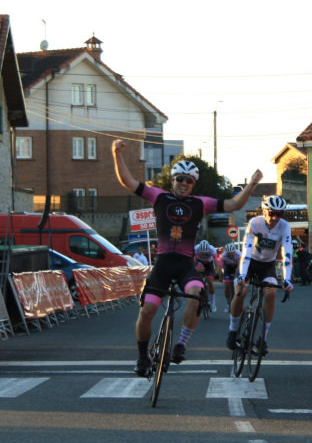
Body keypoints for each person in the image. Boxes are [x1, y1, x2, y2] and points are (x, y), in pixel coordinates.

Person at [112, 140, 261, 377]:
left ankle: (181, 344)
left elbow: (233, 204)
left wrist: (251, 185)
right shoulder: (158, 197)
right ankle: (142, 356)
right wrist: (116, 154)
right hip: (162, 263)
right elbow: (128, 182)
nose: (184, 183)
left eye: (189, 180)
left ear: (194, 184)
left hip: (184, 264)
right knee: (147, 310)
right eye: (180, 178)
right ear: (172, 180)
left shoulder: (200, 203)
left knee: (196, 294)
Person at [226, 195, 294, 355]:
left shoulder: (284, 227)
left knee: (271, 293)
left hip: (267, 266)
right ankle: (232, 331)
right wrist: (242, 275)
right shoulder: (255, 223)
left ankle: (262, 340)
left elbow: (287, 254)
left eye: (279, 214)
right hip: (249, 263)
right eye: (272, 213)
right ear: (264, 211)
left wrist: (287, 279)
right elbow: (247, 250)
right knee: (240, 292)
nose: (275, 217)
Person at [193, 239, 218, 312]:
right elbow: (193, 261)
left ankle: (213, 302)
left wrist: (216, 272)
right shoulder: (196, 249)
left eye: (205, 253)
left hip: (209, 264)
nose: (204, 254)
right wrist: (195, 269)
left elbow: (216, 263)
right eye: (202, 253)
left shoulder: (212, 250)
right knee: (199, 276)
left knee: (210, 281)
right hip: (199, 262)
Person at [220, 243, 241, 309]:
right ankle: (228, 303)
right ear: (226, 252)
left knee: (238, 283)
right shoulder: (223, 256)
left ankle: (237, 301)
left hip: (237, 267)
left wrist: (239, 276)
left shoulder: (239, 254)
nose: (230, 255)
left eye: (232, 253)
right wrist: (220, 275)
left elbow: (241, 266)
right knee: (227, 286)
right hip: (228, 268)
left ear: (234, 251)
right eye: (229, 253)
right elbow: (220, 266)